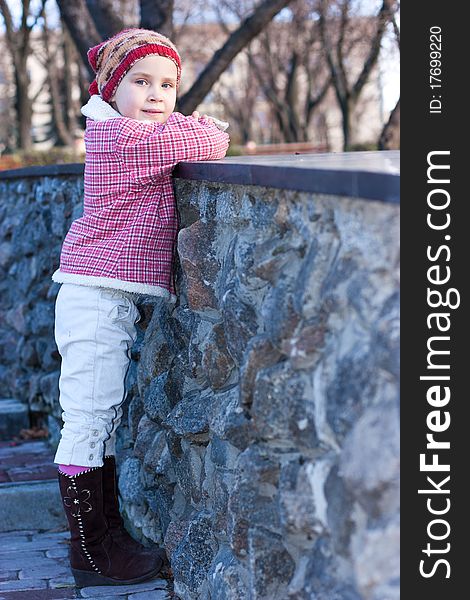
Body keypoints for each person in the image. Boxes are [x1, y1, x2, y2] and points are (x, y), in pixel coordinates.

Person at [51, 28, 230, 587]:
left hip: (106, 294)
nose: (156, 94)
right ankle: (92, 554)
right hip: (95, 295)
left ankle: (104, 539)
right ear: (109, 88)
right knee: (87, 418)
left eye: (168, 85)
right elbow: (213, 142)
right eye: (140, 81)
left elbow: (189, 136)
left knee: (99, 418)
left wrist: (184, 126)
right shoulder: (123, 138)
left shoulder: (129, 132)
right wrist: (195, 126)